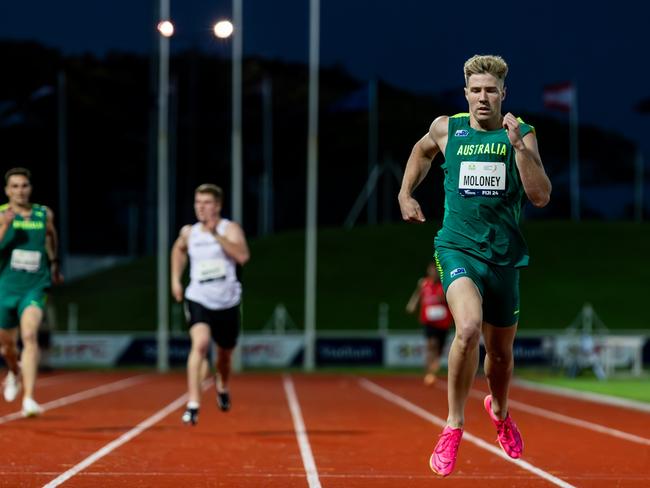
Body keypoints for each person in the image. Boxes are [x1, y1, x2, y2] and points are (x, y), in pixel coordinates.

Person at [397, 55, 551, 477]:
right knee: (466, 328)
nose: (483, 97)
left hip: (503, 256)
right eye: (476, 90)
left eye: (491, 90)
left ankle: (499, 411)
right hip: (456, 248)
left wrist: (520, 148)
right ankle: (453, 426)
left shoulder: (521, 134)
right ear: (466, 93)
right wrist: (406, 193)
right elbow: (420, 151)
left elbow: (539, 196)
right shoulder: (447, 128)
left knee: (500, 355)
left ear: (504, 93)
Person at [171, 184, 250, 426]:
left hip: (227, 300)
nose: (200, 207)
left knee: (224, 356)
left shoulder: (230, 228)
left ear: (217, 206)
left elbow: (243, 256)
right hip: (199, 297)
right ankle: (193, 403)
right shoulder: (189, 232)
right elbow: (178, 250)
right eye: (197, 202)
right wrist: (175, 279)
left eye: (205, 203)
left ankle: (222, 386)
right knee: (201, 344)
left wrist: (216, 235)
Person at [0, 167, 64, 417]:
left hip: (35, 286)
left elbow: (51, 235)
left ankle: (29, 398)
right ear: (7, 191)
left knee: (29, 335)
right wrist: (5, 227)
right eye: (14, 186)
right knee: (7, 347)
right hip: (5, 287)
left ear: (30, 188)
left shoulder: (43, 213)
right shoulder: (1, 215)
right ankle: (14, 372)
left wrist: (55, 262)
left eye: (24, 185)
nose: (20, 191)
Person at [406, 262, 453, 386]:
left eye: (436, 270)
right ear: (428, 271)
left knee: (438, 349)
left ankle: (433, 369)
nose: (434, 272)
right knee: (431, 344)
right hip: (429, 321)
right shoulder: (424, 284)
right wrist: (412, 305)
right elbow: (417, 295)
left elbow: (452, 300)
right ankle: (429, 373)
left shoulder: (445, 284)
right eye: (432, 270)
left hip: (443, 323)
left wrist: (444, 299)